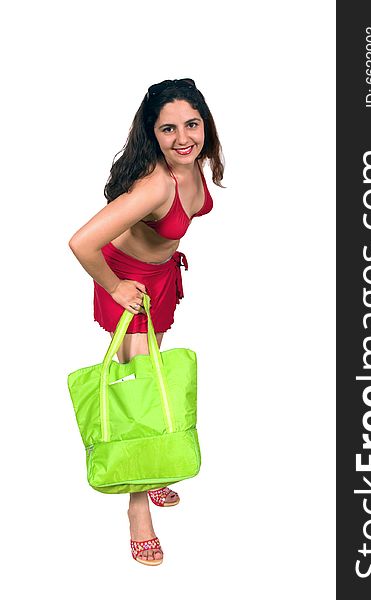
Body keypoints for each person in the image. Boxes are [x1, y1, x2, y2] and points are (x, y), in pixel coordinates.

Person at [68, 78, 225, 566]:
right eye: (169, 128)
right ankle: (139, 513)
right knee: (141, 401)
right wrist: (115, 288)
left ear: (205, 124)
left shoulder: (194, 164)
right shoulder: (157, 182)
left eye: (192, 124)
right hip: (128, 284)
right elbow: (81, 243)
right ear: (152, 133)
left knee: (152, 382)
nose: (183, 137)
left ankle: (155, 473)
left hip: (159, 280)